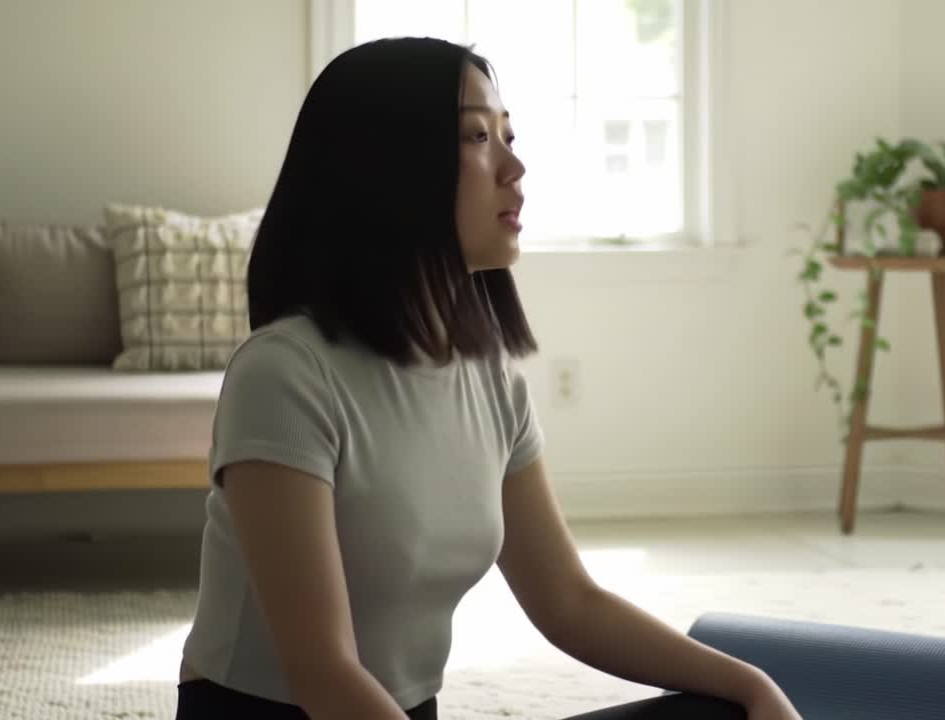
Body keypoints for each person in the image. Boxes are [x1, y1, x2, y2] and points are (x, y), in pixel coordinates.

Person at [174, 37, 801, 720]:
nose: (515, 166)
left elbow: (569, 600)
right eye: (477, 136)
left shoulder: (490, 381)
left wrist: (751, 685)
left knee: (719, 714)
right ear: (387, 167)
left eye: (507, 134)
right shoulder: (285, 374)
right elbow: (324, 673)